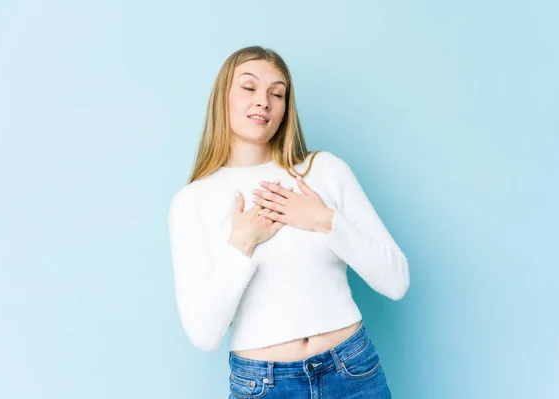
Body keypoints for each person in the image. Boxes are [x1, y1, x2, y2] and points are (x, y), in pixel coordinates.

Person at [167, 45, 410, 398]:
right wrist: (242, 245)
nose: (263, 101)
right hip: (263, 384)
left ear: (284, 109)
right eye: (249, 88)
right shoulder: (192, 202)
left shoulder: (324, 171)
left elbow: (396, 281)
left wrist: (324, 220)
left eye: (276, 93)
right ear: (222, 99)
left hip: (353, 371)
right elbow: (204, 334)